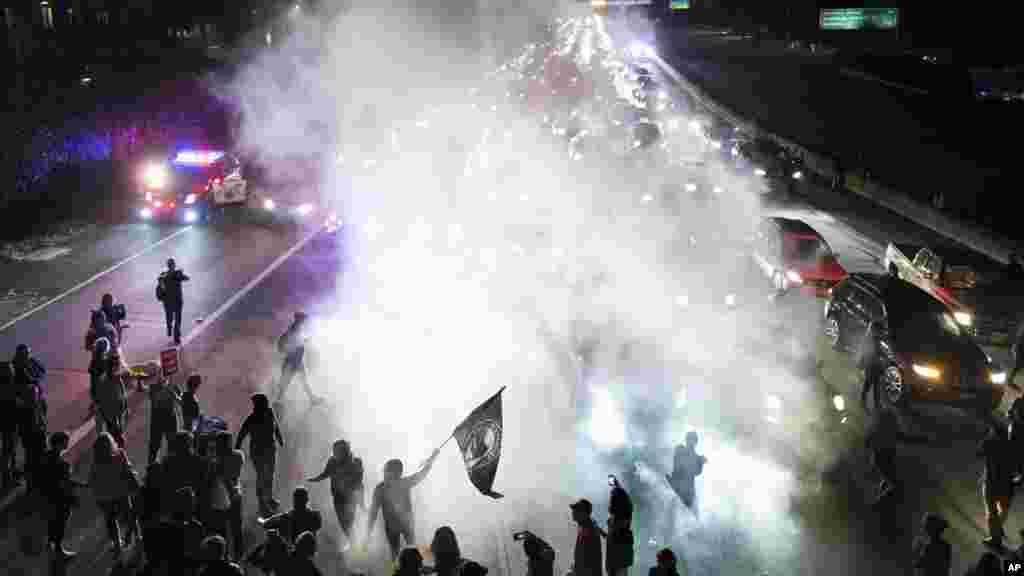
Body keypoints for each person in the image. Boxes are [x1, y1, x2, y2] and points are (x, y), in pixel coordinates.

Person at [366, 449, 442, 560]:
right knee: (398, 553)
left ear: (397, 473)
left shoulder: (388, 487)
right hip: (396, 526)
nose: (385, 474)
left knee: (408, 551)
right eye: (385, 471)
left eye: (387, 471)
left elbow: (422, 474)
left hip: (404, 524)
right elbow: (373, 512)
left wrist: (432, 458)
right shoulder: (383, 488)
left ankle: (407, 569)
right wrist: (368, 531)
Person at [90, 432, 142, 555]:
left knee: (111, 520)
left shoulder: (96, 462)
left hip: (104, 496)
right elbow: (128, 469)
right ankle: (138, 537)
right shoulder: (120, 455)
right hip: (121, 493)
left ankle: (117, 544)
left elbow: (92, 480)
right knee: (129, 515)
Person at [39, 431, 87, 561]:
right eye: (65, 441)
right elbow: (66, 483)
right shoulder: (62, 464)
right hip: (61, 499)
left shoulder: (45, 458)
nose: (68, 443)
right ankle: (59, 550)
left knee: (52, 522)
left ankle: (51, 544)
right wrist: (78, 492)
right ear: (59, 444)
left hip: (48, 497)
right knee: (60, 524)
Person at [307, 439, 365, 546]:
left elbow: (359, 481)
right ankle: (353, 542)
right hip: (337, 496)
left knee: (349, 521)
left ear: (345, 450)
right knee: (342, 522)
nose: (334, 453)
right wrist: (315, 479)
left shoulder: (356, 461)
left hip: (351, 497)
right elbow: (326, 473)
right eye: (334, 450)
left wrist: (361, 502)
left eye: (337, 450)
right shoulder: (332, 461)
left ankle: (355, 543)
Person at [236, 394, 285, 517]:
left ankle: (269, 498)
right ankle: (262, 504)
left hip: (270, 449)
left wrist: (279, 438)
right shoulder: (252, 418)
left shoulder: (269, 412)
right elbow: (242, 432)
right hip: (258, 451)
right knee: (261, 476)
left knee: (270, 475)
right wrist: (237, 447)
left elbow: (275, 425)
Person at [867, 408, 929, 504]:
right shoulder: (887, 431)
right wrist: (923, 439)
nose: (896, 420)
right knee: (897, 484)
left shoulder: (884, 431)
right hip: (883, 461)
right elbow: (906, 438)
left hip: (885, 461)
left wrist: (923, 439)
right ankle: (879, 503)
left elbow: (906, 438)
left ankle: (881, 498)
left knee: (891, 481)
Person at [13, 344, 47, 492]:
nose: (28, 356)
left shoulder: (28, 364)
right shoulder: (17, 371)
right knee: (32, 452)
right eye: (25, 354)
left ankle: (33, 479)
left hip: (32, 418)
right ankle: (31, 481)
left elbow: (42, 370)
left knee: (33, 451)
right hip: (30, 422)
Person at [208, 432, 245, 559]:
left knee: (224, 528)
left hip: (223, 497)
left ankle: (225, 556)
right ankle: (237, 556)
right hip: (234, 495)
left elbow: (221, 474)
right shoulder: (237, 455)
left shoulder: (217, 460)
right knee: (235, 528)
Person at [978, 422, 1014, 549]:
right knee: (1002, 509)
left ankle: (995, 538)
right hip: (1007, 483)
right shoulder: (1011, 444)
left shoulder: (989, 443)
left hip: (992, 482)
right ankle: (998, 529)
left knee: (992, 511)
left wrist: (987, 438)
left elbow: (979, 453)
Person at [275, 312, 324, 406]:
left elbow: (295, 342)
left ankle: (312, 399)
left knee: (304, 381)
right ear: (299, 320)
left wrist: (304, 341)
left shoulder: (297, 329)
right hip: (292, 362)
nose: (304, 322)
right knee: (285, 384)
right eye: (303, 320)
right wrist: (300, 344)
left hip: (297, 361)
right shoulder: (294, 329)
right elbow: (289, 343)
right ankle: (277, 401)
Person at [89, 337, 129, 447]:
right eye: (116, 367)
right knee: (116, 435)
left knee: (105, 427)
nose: (118, 369)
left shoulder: (98, 363)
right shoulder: (105, 378)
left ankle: (103, 440)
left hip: (113, 409)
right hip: (110, 411)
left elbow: (122, 392)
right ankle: (106, 443)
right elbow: (107, 399)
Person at [258, 487, 323, 546]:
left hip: (290, 554)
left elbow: (266, 524)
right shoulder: (315, 516)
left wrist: (259, 519)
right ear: (307, 500)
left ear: (294, 500)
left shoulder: (287, 517)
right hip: (308, 554)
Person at [666, 431, 706, 516]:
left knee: (694, 514)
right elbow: (678, 462)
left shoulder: (696, 457)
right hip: (677, 484)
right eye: (689, 439)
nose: (691, 442)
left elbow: (696, 472)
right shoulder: (680, 448)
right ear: (686, 440)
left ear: (696, 442)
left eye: (693, 440)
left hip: (688, 490)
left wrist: (701, 464)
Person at [149, 376, 182, 465]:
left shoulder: (173, 386)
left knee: (172, 445)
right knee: (154, 446)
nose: (161, 377)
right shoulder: (153, 387)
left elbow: (181, 402)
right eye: (159, 374)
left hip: (170, 419)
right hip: (157, 420)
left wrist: (174, 394)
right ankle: (152, 469)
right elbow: (154, 400)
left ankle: (171, 466)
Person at [606, 476, 634, 576]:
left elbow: (615, 537)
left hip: (617, 562)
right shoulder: (621, 520)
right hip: (616, 562)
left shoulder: (621, 521)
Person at [157, 258, 190, 345]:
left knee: (169, 317)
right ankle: (176, 337)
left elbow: (160, 283)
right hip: (177, 301)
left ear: (168, 265)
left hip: (167, 302)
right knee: (177, 319)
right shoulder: (177, 274)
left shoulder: (163, 275)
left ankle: (169, 329)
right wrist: (181, 273)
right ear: (174, 265)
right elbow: (186, 278)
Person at [570, 499, 602, 576]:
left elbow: (588, 556)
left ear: (584, 513)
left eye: (576, 510)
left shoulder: (588, 529)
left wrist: (577, 570)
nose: (573, 512)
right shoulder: (585, 525)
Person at [1, 361, 19, 487]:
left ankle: (8, 475)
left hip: (6, 423)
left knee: (8, 451)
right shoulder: (11, 388)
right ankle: (8, 476)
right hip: (10, 424)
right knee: (9, 451)